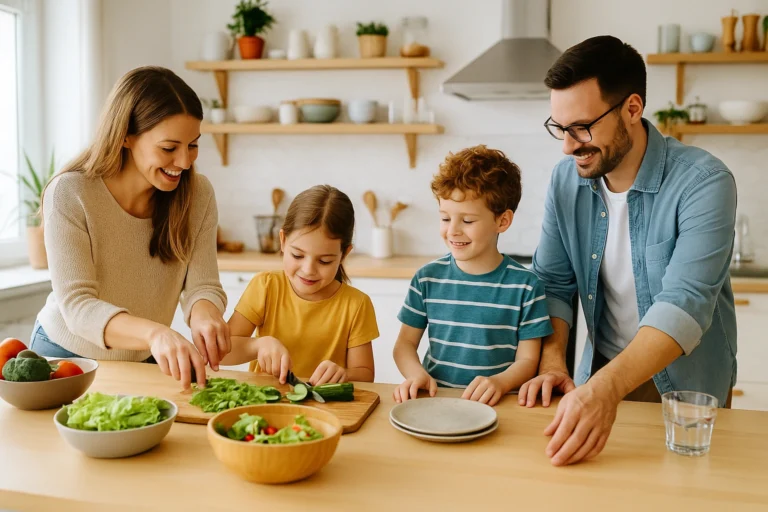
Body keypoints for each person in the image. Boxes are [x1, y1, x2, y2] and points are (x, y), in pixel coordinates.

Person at [521, 36, 737, 466]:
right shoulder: (566, 182)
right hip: (601, 373)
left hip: (686, 389)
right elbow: (554, 283)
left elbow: (685, 305)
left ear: (632, 109)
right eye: (560, 128)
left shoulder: (704, 182)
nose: (567, 146)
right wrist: (553, 364)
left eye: (582, 127)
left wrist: (605, 389)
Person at [33, 66, 230, 389]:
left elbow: (203, 285)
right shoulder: (71, 193)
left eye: (193, 145)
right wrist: (156, 333)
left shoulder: (198, 194)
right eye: (169, 148)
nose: (184, 162)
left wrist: (205, 314)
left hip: (143, 357)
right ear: (126, 135)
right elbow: (79, 308)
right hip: (66, 357)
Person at [392, 145, 553, 406]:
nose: (452, 231)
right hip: (436, 401)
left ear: (502, 221)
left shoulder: (526, 286)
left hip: (498, 405)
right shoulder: (427, 279)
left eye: (467, 221)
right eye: (445, 218)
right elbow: (404, 346)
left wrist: (500, 382)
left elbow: (528, 360)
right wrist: (416, 375)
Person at [221, 185, 379, 385]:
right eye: (297, 255)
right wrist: (258, 345)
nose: (308, 270)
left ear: (344, 254)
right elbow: (223, 353)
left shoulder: (357, 304)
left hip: (328, 408)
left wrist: (345, 374)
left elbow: (365, 374)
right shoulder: (265, 286)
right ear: (283, 241)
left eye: (324, 261)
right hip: (266, 401)